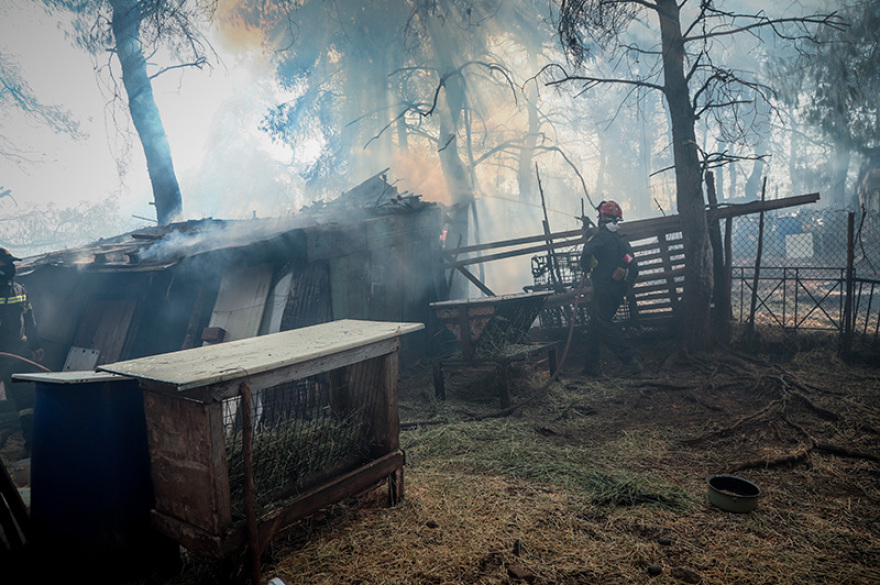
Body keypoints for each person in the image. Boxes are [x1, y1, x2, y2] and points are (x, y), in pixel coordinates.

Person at [579, 201, 643, 376]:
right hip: (616, 292)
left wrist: (585, 267)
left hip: (604, 290)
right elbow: (633, 266)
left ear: (602, 218)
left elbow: (587, 251)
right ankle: (591, 367)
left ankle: (630, 361)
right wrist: (626, 285)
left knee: (603, 324)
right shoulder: (621, 241)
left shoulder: (602, 237)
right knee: (595, 325)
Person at [0, 248, 43, 455]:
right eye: (5, 264)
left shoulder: (19, 290)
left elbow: (29, 320)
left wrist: (35, 345)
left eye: (11, 264)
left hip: (18, 356)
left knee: (26, 402)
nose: (11, 268)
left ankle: (32, 446)